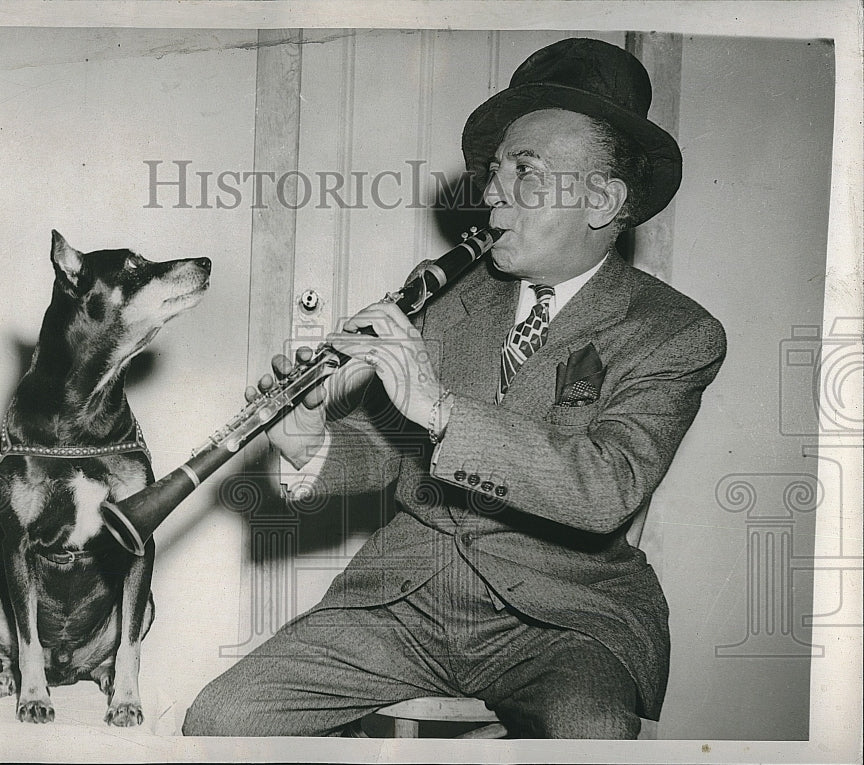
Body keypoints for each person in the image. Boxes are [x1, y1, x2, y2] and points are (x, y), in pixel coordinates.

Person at [183, 37, 726, 738]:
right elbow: (386, 448)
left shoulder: (675, 331)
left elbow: (606, 487)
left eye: (525, 173)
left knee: (592, 733)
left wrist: (440, 410)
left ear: (603, 199)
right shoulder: (450, 295)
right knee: (220, 718)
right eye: (495, 170)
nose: (492, 193)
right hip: (403, 602)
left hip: (562, 620)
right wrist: (312, 441)